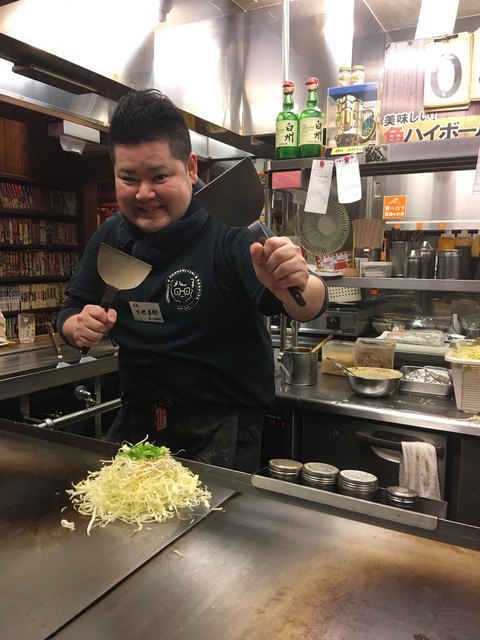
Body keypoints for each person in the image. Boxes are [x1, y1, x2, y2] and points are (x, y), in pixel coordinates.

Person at [57, 88, 327, 472]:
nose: (144, 193)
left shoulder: (230, 228)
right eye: (128, 178)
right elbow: (70, 311)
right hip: (139, 419)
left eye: (159, 176)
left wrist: (296, 281)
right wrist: (77, 327)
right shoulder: (112, 235)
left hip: (223, 424)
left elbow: (307, 305)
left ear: (191, 167)